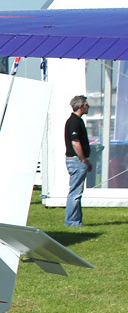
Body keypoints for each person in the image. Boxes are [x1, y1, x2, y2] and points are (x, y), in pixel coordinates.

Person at [64, 95, 92, 227]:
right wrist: (82, 160)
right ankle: (72, 222)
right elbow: (75, 143)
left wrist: (86, 159)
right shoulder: (74, 122)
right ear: (81, 106)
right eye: (86, 104)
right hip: (76, 160)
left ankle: (76, 221)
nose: (88, 107)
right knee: (75, 193)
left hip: (78, 160)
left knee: (77, 192)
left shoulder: (77, 121)